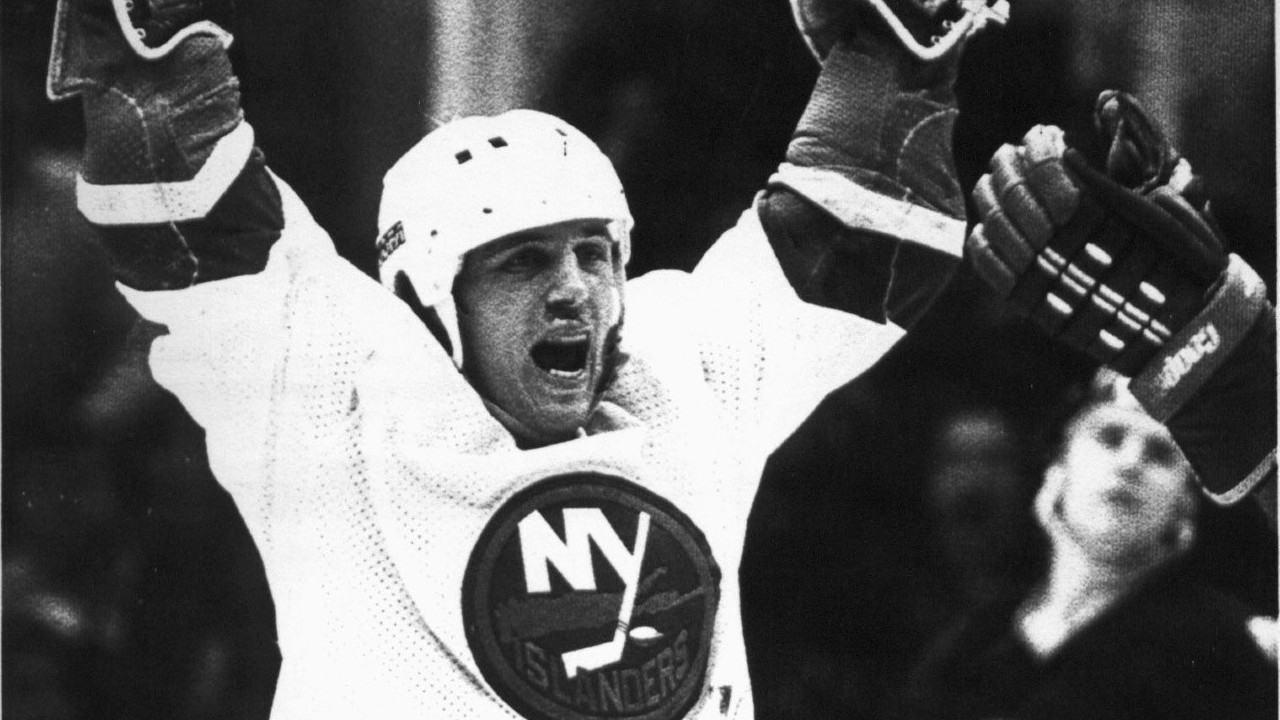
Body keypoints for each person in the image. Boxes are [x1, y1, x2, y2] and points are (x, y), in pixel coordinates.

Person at [45, 0, 1007, 717]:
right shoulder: (336, 396)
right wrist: (155, 42)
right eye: (522, 261)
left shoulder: (674, 373)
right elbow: (181, 199)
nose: (574, 289)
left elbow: (855, 239)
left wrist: (898, 51)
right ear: (430, 297)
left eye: (594, 252)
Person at [898, 371, 1278, 720]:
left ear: (1184, 505)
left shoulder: (1225, 649)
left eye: (1160, 454)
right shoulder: (967, 647)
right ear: (1059, 468)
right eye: (1110, 437)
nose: (1130, 463)